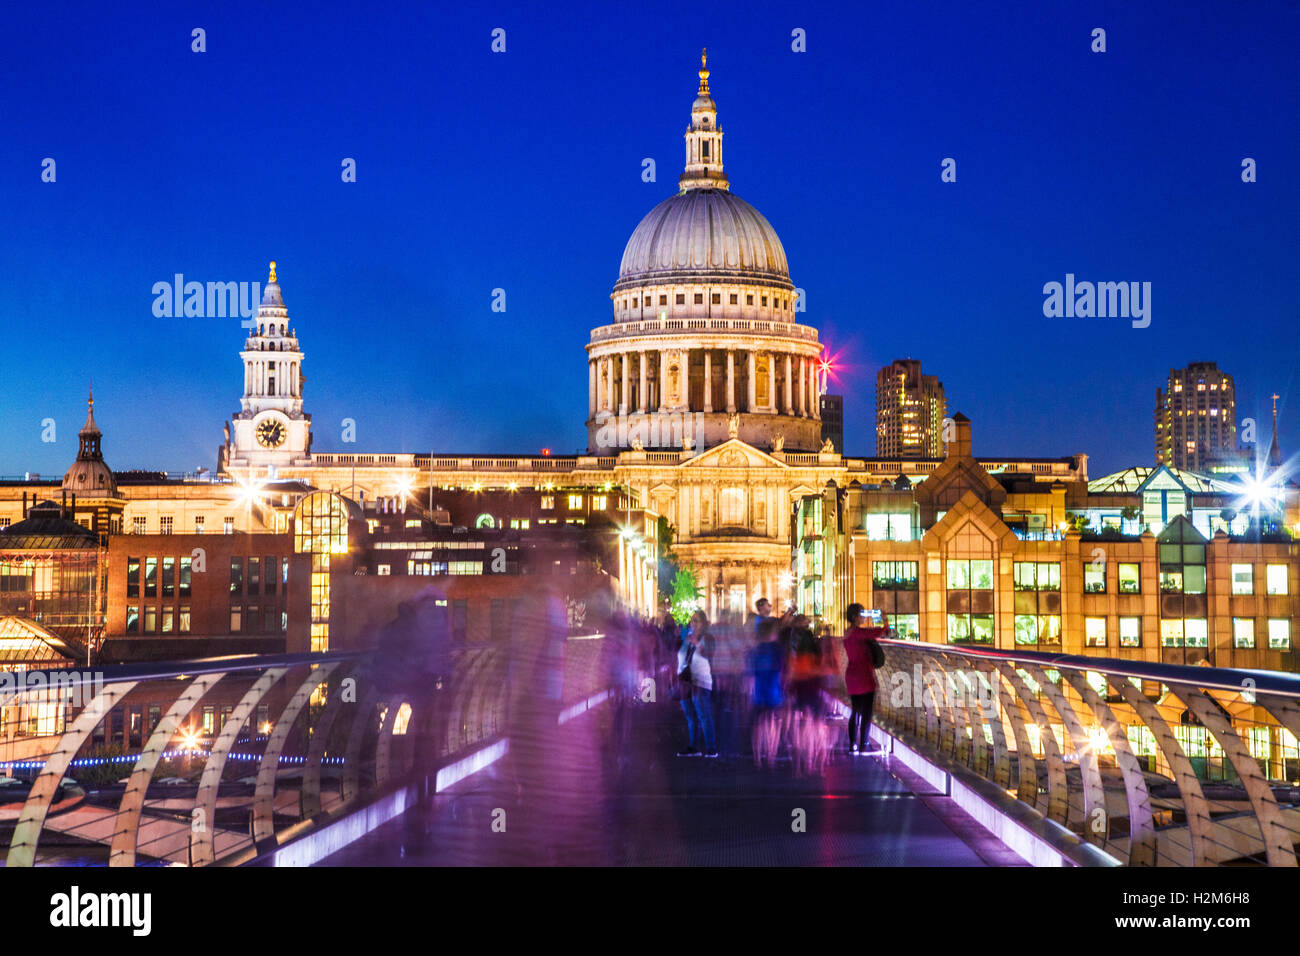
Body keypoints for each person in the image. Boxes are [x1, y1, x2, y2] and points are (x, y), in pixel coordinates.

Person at [842, 603, 882, 755]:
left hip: (851, 675)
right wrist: (884, 620)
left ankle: (852, 744)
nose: (863, 617)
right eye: (861, 614)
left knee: (855, 710)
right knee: (866, 712)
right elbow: (878, 632)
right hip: (863, 675)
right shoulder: (858, 632)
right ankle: (864, 744)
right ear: (854, 617)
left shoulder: (848, 632)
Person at [676, 612, 717, 757]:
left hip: (700, 680)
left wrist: (696, 643)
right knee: (690, 715)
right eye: (692, 621)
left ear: (704, 623)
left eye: (697, 621)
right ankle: (693, 746)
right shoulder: (687, 638)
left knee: (703, 715)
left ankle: (711, 748)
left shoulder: (708, 638)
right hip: (685, 681)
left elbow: (708, 655)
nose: (693, 623)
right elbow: (681, 656)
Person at [747, 617, 786, 767]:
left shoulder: (755, 650)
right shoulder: (777, 649)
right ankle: (771, 755)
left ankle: (757, 756)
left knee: (758, 725)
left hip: (759, 691)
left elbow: (750, 672)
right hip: (774, 690)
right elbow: (782, 669)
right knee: (774, 724)